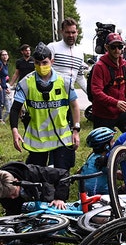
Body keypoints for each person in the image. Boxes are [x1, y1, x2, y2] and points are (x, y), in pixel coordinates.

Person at [8, 43, 80, 171]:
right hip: (37, 141)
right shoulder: (26, 83)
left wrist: (76, 130)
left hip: (61, 138)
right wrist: (14, 131)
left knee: (62, 176)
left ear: (52, 61)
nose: (41, 66)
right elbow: (14, 109)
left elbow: (74, 106)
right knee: (35, 177)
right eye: (37, 63)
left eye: (45, 63)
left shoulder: (65, 81)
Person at [89, 33, 126, 131]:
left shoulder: (125, 65)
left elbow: (125, 86)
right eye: (113, 47)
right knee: (102, 145)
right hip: (103, 114)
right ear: (106, 47)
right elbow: (96, 92)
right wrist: (116, 103)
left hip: (121, 112)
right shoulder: (99, 66)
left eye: (120, 46)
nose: (117, 50)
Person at [0, 162, 70, 215]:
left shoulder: (31, 172)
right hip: (18, 209)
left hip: (45, 199)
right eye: (7, 196)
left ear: (16, 181)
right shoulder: (4, 190)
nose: (12, 197)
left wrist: (59, 198)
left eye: (14, 193)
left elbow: (63, 174)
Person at [48, 18, 86, 95]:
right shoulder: (52, 47)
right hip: (53, 94)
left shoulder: (80, 53)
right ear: (62, 32)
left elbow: (80, 77)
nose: (71, 35)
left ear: (77, 32)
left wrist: (92, 95)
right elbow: (43, 71)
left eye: (73, 32)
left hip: (70, 95)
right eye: (67, 32)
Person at [78, 127, 115, 195]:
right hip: (96, 194)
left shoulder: (92, 156)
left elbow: (79, 171)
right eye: (112, 141)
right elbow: (118, 175)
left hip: (83, 191)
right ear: (106, 146)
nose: (115, 143)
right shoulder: (102, 161)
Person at [0, 50, 9, 123]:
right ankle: (0, 119)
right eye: (3, 55)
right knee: (1, 102)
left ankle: (1, 119)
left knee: (3, 103)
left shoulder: (6, 65)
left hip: (3, 86)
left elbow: (4, 78)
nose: (5, 56)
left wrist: (6, 87)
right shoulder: (0, 64)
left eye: (6, 54)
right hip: (0, 86)